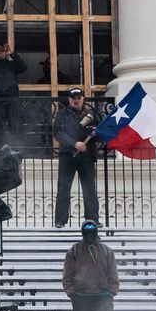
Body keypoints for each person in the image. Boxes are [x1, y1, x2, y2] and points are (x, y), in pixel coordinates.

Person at [62, 220, 118, 311]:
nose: (90, 236)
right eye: (87, 233)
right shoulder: (74, 251)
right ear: (83, 234)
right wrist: (72, 293)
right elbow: (67, 274)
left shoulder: (106, 251)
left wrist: (111, 291)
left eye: (92, 233)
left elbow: (113, 273)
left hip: (102, 296)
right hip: (81, 297)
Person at [53, 88, 99, 228]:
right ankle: (60, 220)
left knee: (89, 188)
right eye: (73, 98)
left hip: (87, 157)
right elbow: (58, 133)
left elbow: (99, 132)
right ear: (69, 100)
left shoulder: (91, 115)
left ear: (83, 99)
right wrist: (74, 144)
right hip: (68, 156)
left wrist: (96, 133)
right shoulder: (62, 114)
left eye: (79, 97)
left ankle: (92, 219)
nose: (76, 100)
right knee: (63, 188)